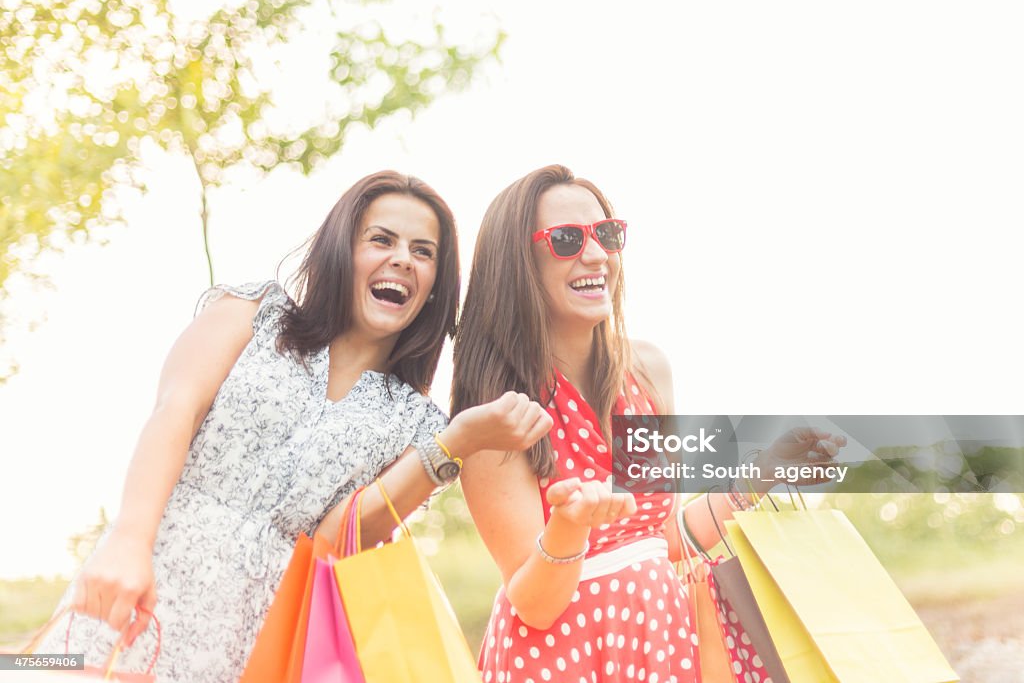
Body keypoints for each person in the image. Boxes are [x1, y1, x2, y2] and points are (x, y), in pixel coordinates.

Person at [39, 170, 552, 683]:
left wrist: (455, 443)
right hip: (139, 583)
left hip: (260, 642)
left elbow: (340, 536)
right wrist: (130, 539)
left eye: (423, 252)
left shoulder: (415, 424)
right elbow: (175, 411)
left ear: (436, 285)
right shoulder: (252, 313)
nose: (401, 258)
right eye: (381, 239)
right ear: (341, 250)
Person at [452, 164, 845, 683]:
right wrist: (569, 528)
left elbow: (662, 536)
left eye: (606, 235)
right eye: (567, 239)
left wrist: (762, 475)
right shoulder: (494, 410)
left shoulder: (648, 372)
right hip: (562, 659)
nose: (596, 255)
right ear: (516, 264)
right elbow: (535, 605)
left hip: (661, 640)